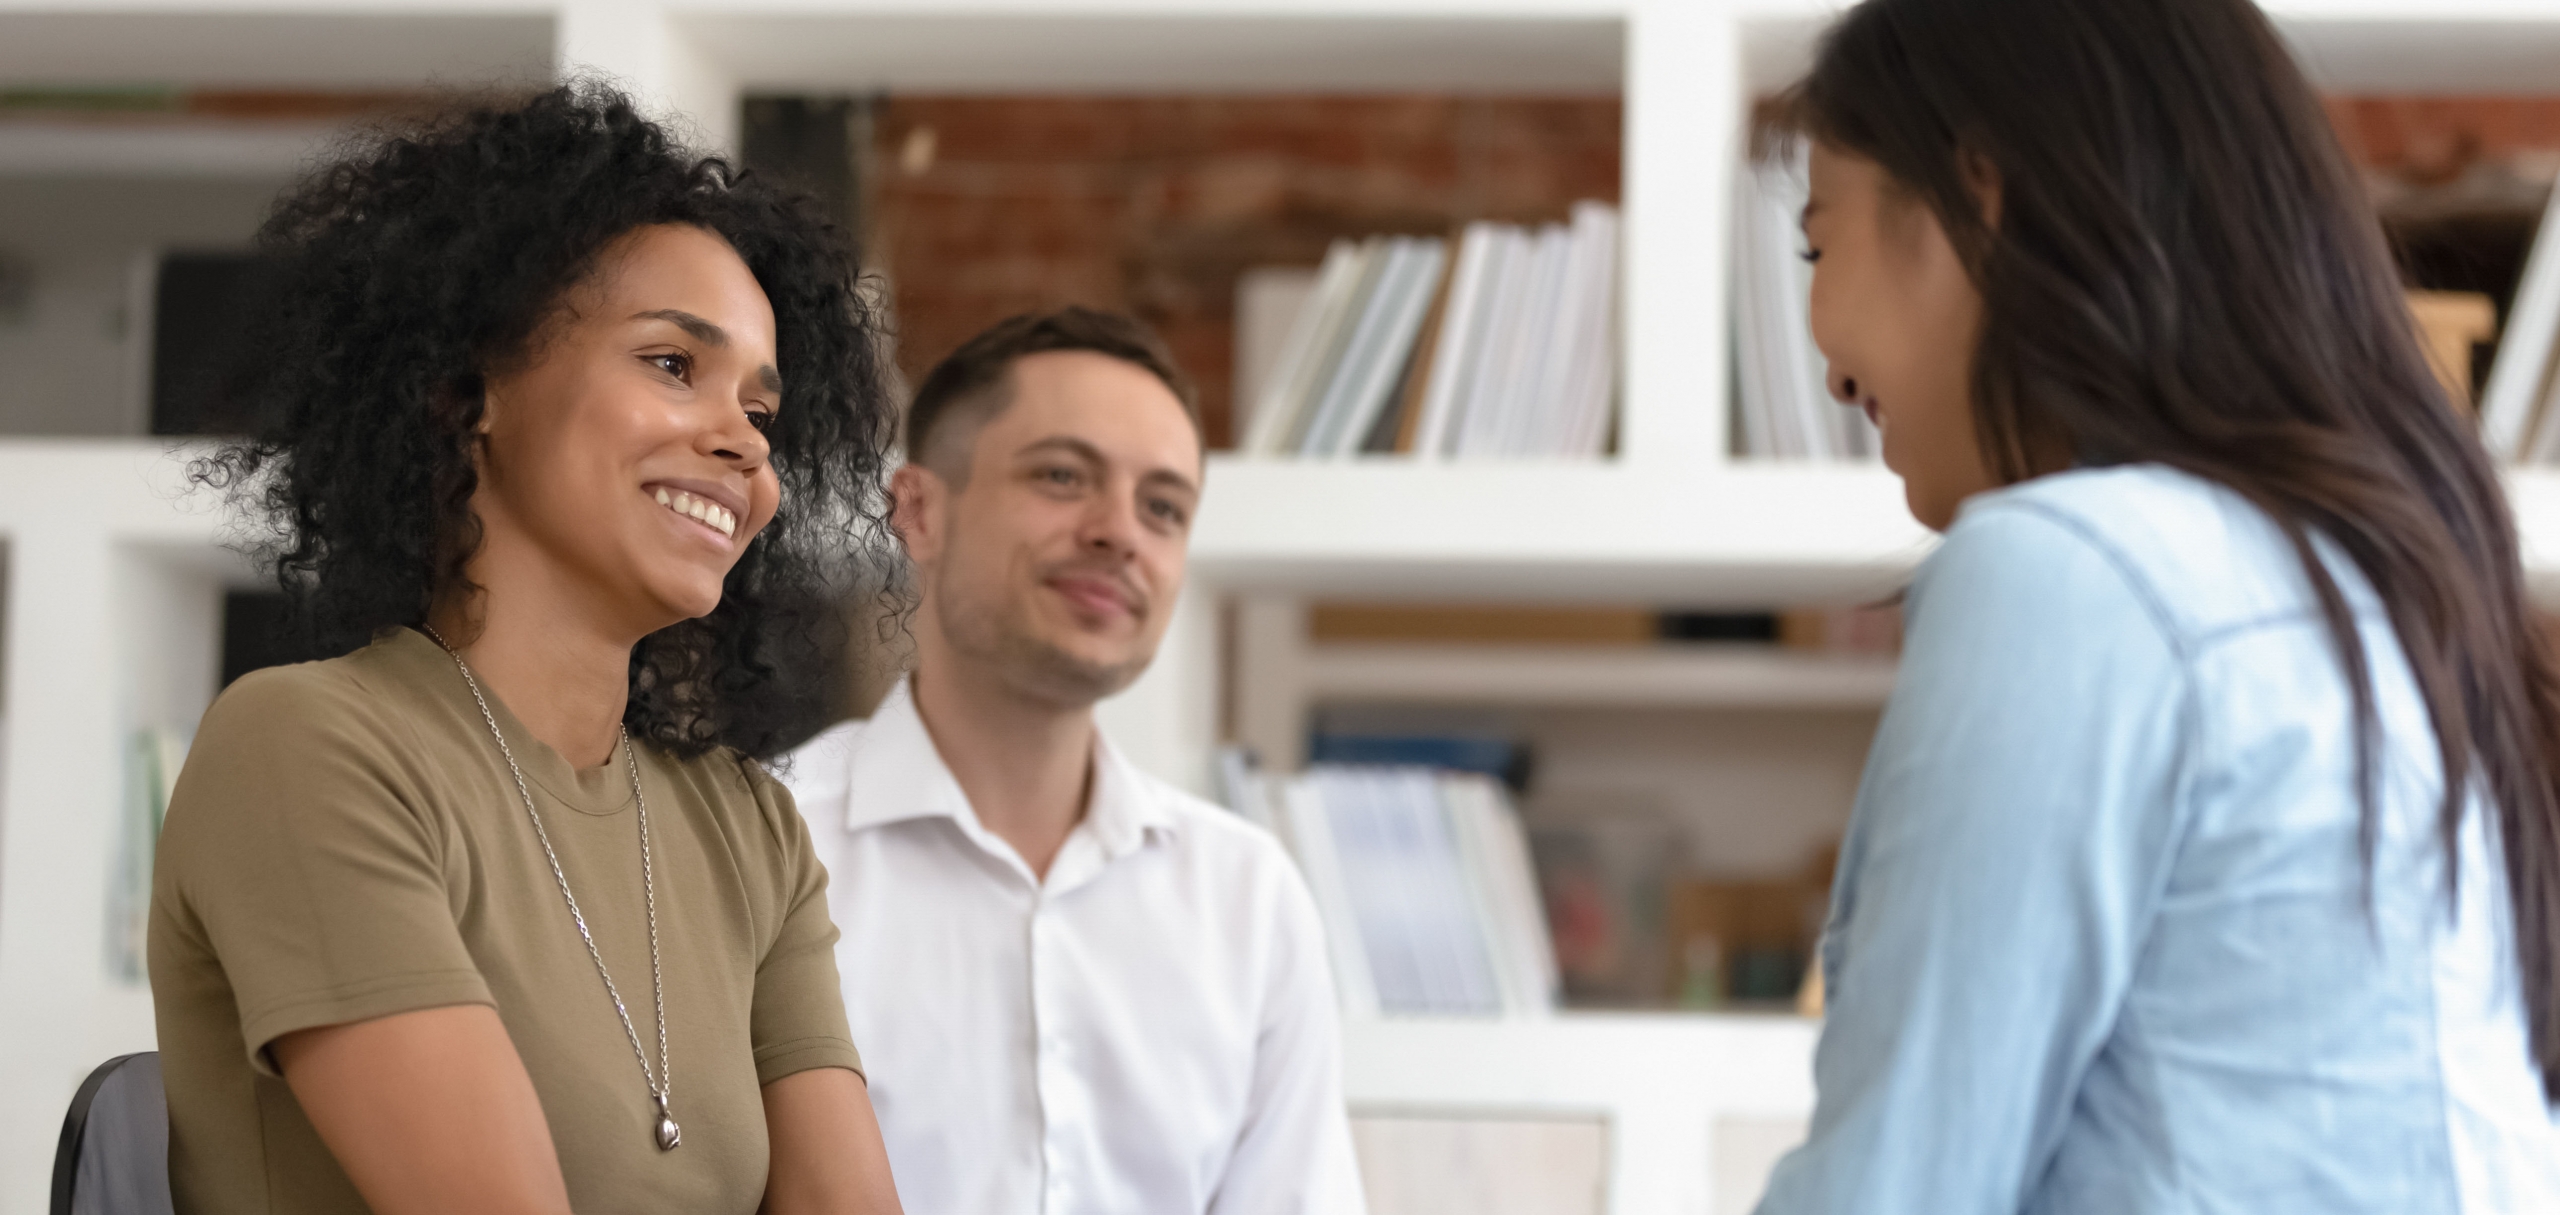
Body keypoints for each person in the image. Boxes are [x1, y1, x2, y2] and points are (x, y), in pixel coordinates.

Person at [1753, 0, 2560, 1210]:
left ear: (1979, 196)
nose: (1822, 352)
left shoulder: (2076, 573)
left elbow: (1900, 1184)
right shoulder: (2370, 583)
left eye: (1821, 249)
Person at [150, 85, 904, 1215]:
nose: (740, 443)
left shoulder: (745, 828)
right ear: (470, 391)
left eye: (761, 410)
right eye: (669, 364)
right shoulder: (310, 748)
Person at [780, 307, 1364, 1215]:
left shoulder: (1248, 898)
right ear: (921, 511)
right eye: (1062, 475)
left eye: (1163, 507)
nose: (1119, 532)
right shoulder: (770, 847)